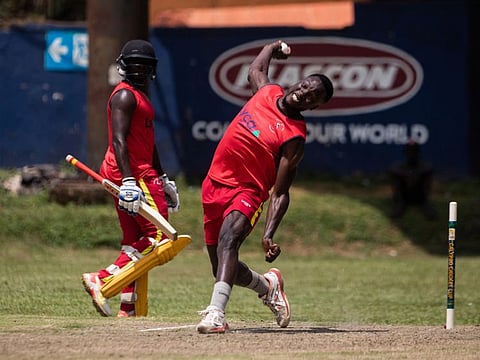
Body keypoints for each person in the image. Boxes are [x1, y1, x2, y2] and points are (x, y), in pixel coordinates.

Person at [196, 40, 334, 334]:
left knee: (228, 242)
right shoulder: (268, 92)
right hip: (214, 184)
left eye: (314, 95)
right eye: (307, 85)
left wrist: (269, 233)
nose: (305, 92)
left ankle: (216, 314)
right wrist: (272, 48)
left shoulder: (294, 138)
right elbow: (256, 69)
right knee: (220, 264)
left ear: (315, 106)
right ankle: (268, 285)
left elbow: (281, 192)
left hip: (248, 191)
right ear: (299, 82)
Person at [81, 39, 179, 317]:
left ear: (152, 69)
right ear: (123, 65)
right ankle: (100, 278)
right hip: (132, 173)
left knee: (134, 237)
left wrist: (164, 178)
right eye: (134, 63)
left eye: (144, 64)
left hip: (140, 171)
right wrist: (128, 181)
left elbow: (148, 141)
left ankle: (129, 305)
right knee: (159, 237)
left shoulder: (140, 95)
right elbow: (120, 140)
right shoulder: (124, 96)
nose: (139, 69)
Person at [388, 139, 437, 220]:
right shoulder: (400, 166)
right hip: (404, 195)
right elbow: (392, 169)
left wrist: (416, 174)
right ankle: (400, 204)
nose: (411, 153)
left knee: (424, 177)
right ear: (405, 151)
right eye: (409, 150)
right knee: (397, 177)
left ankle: (425, 204)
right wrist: (407, 175)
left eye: (414, 150)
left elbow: (429, 168)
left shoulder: (424, 166)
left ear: (418, 151)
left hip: (419, 195)